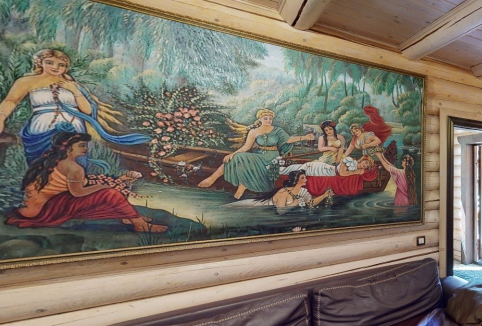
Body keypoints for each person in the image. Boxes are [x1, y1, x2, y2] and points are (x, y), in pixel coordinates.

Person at [0, 49, 149, 162]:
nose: (55, 67)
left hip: (73, 126)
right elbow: (10, 101)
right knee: (43, 163)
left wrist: (74, 91)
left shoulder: (73, 84)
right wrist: (1, 118)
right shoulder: (26, 81)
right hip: (42, 126)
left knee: (71, 163)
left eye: (61, 65)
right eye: (50, 62)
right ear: (40, 63)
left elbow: (87, 110)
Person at [6, 132, 166, 233]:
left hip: (34, 208)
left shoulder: (55, 161)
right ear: (68, 148)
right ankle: (139, 224)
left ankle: (128, 216)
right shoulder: (74, 167)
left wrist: (118, 180)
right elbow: (78, 192)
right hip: (46, 209)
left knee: (104, 193)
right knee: (109, 194)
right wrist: (104, 186)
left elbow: (79, 185)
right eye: (81, 145)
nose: (86, 149)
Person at [198, 109, 314, 199]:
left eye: (270, 118)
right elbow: (246, 147)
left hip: (271, 156)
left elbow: (288, 140)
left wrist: (304, 137)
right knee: (236, 157)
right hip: (258, 155)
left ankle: (241, 188)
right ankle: (212, 178)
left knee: (246, 161)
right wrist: (232, 154)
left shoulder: (278, 130)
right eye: (266, 118)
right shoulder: (254, 131)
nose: (268, 120)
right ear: (260, 119)